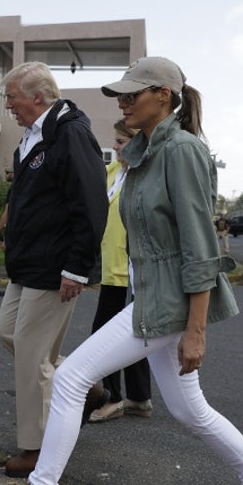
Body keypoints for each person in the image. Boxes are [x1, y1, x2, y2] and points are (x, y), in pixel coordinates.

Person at [1, 57, 243, 485]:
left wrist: (196, 329)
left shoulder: (181, 151)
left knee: (70, 379)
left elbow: (199, 249)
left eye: (132, 94)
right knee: (189, 411)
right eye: (120, 94)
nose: (123, 102)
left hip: (167, 302)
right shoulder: (144, 153)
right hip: (150, 298)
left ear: (164, 95)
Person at [0, 61, 109, 479]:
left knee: (30, 355)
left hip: (56, 265)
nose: (8, 105)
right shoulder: (32, 137)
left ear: (38, 97)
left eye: (12, 97)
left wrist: (77, 268)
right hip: (28, 264)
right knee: (8, 334)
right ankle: (85, 388)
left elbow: (91, 203)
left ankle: (38, 448)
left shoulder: (70, 133)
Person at [87, 120, 152, 424]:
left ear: (139, 144)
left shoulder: (144, 176)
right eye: (115, 140)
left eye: (121, 142)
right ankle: (139, 398)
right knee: (128, 335)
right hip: (111, 270)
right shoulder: (114, 172)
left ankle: (113, 398)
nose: (114, 146)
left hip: (133, 271)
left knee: (107, 336)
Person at [0, 167, 14, 244]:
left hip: (16, 228)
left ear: (14, 173)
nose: (5, 175)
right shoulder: (24, 186)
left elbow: (7, 211)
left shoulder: (13, 189)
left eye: (7, 172)